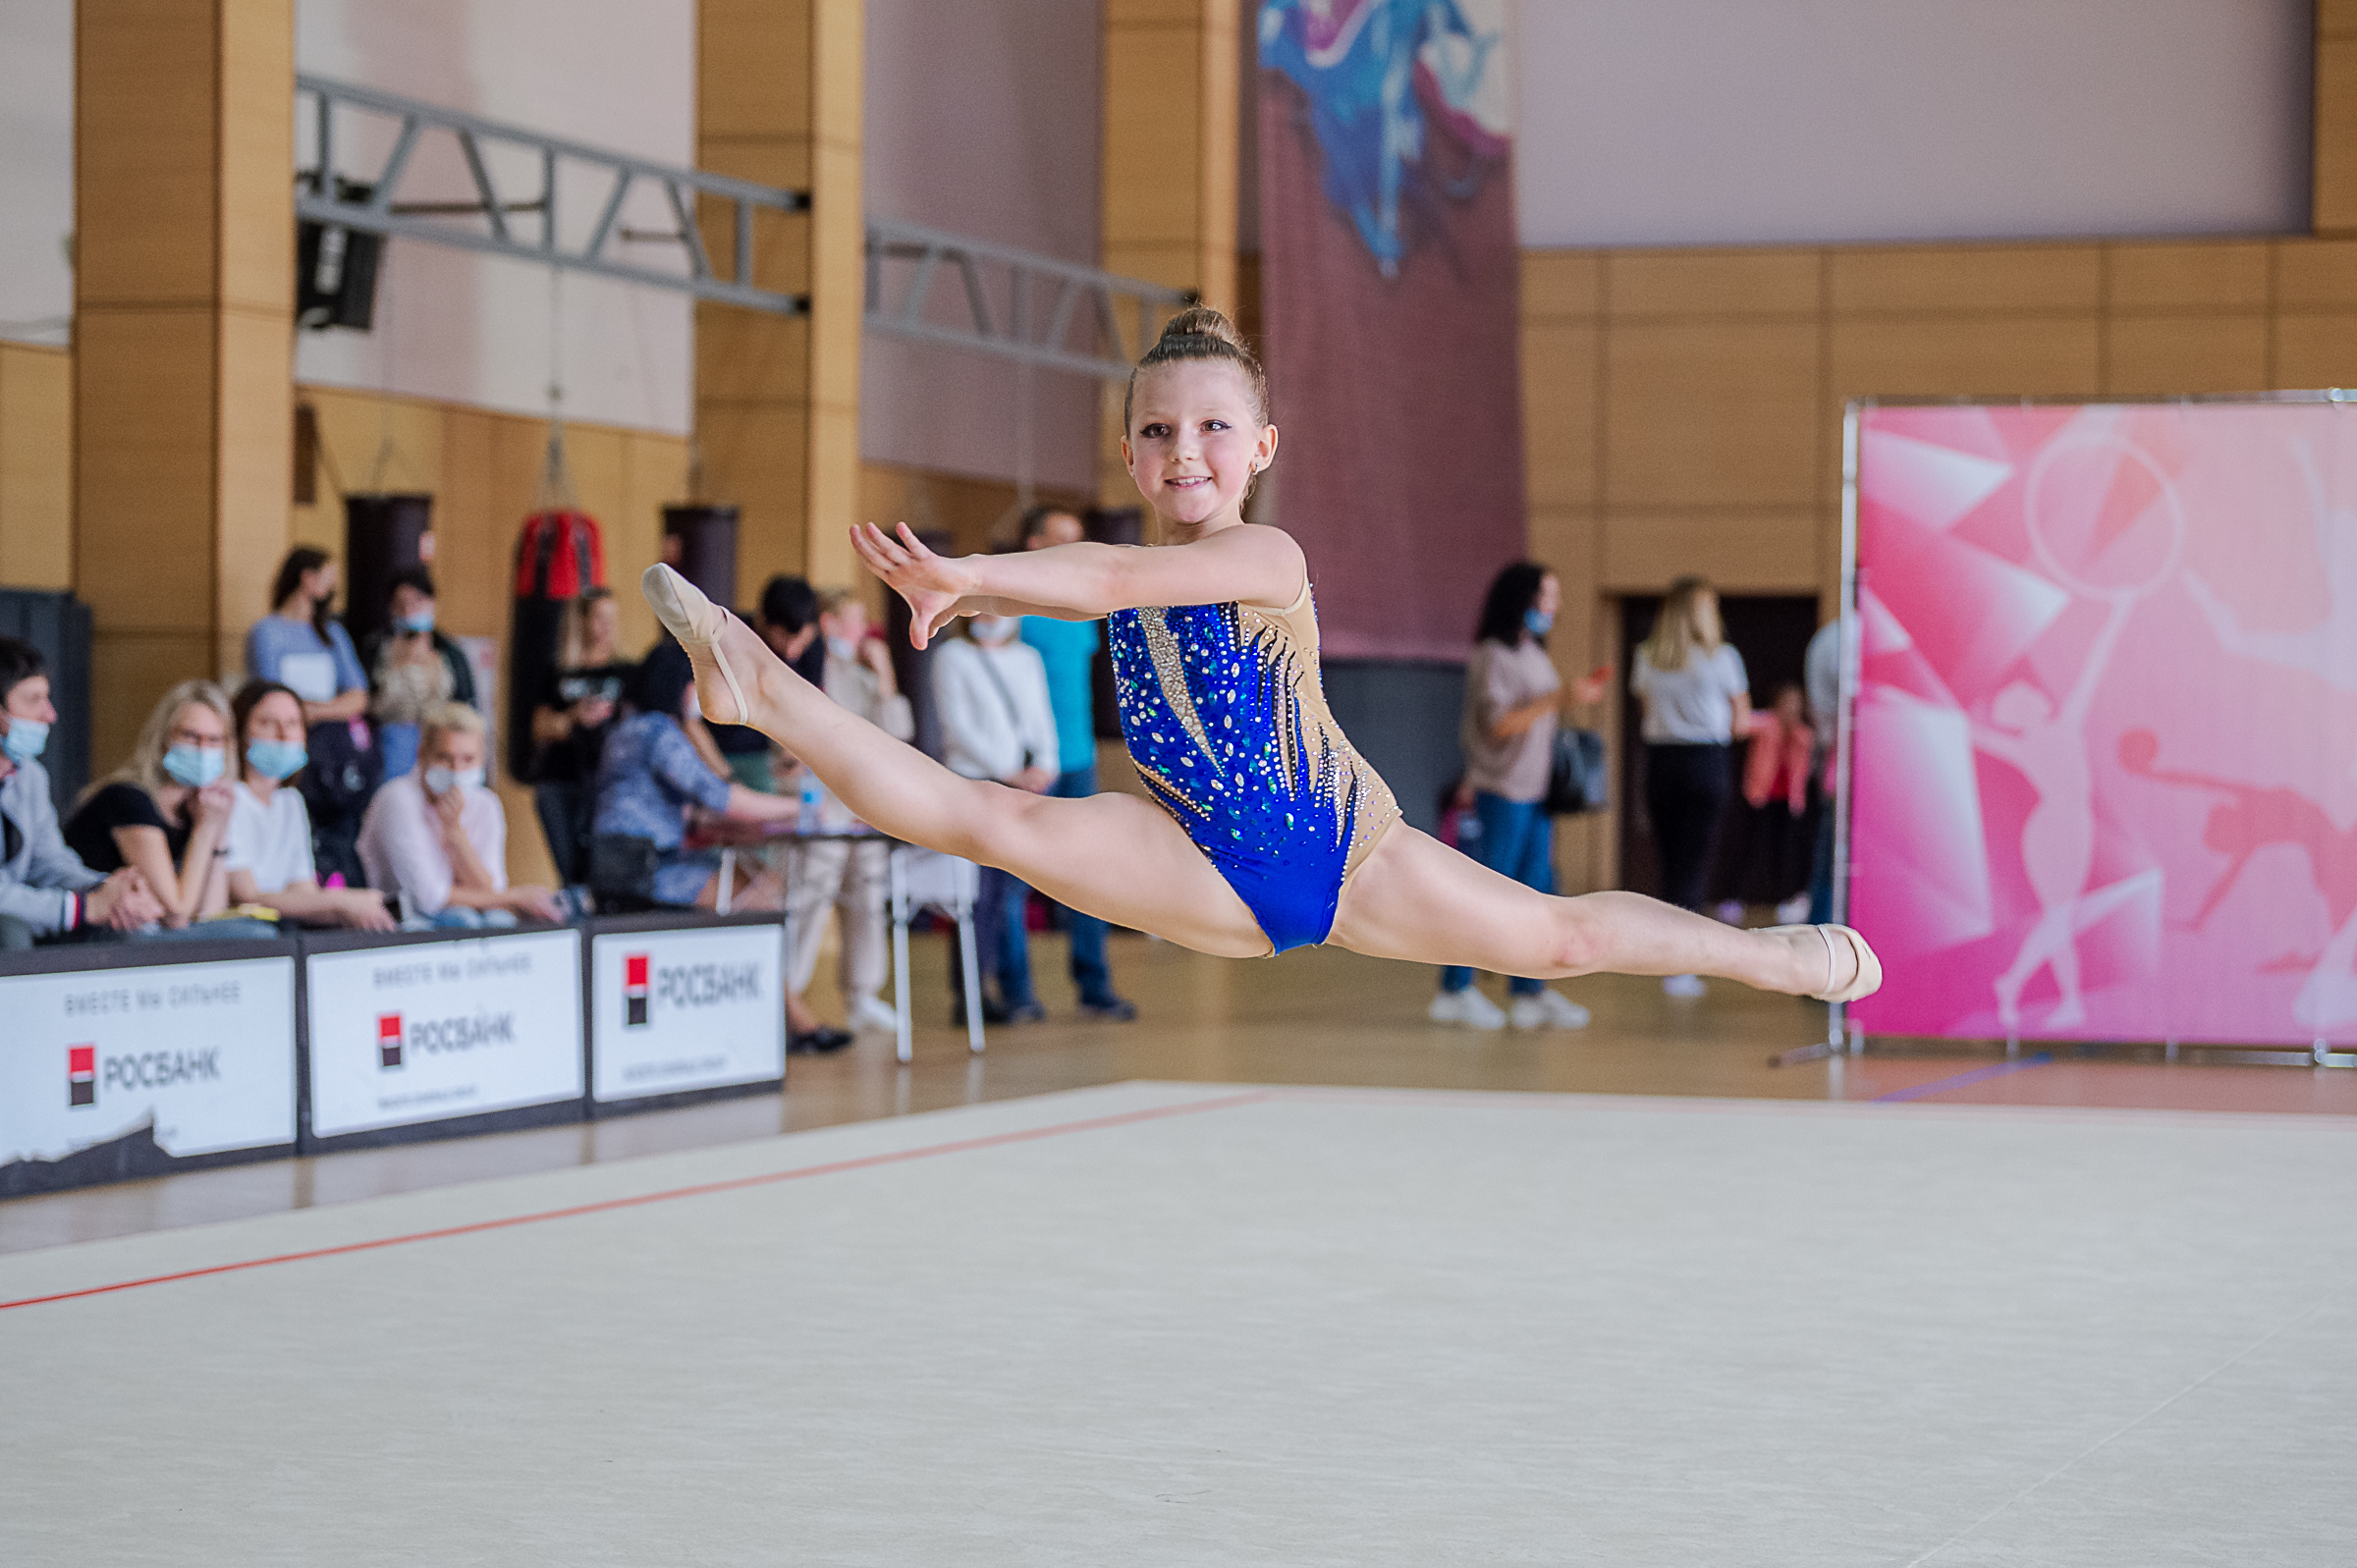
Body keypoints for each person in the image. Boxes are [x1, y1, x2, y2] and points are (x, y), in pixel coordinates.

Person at [642, 307, 1881, 1020]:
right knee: (984, 818)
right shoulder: (1122, 557)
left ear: (1262, 446)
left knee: (1558, 941)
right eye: (1158, 431)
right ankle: (760, 685)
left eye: (1214, 427)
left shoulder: (1267, 554)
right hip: (1197, 859)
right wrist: (988, 582)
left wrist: (971, 578)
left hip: (1350, 851)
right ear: (1131, 455)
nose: (1187, 450)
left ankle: (1768, 956)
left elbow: (1116, 580)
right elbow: (1104, 573)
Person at [589, 652, 847, 1049]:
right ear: (679, 687)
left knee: (757, 884)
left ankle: (787, 1013)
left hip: (620, 862)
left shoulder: (625, 731)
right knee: (761, 895)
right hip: (648, 868)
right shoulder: (659, 733)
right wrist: (802, 807)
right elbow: (724, 798)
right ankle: (787, 1018)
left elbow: (687, 806)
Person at [1429, 562, 1608, 1031]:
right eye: (1547, 596)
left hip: (1537, 794)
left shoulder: (1532, 652)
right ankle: (1456, 988)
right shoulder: (1494, 654)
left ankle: (1529, 991)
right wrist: (1559, 698)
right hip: (1502, 791)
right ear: (1523, 600)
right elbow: (1501, 724)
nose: (1555, 607)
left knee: (1537, 893)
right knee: (1488, 894)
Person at [1018, 506, 1137, 1021]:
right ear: (1033, 546)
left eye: (1077, 540)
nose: (1072, 548)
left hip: (1079, 758)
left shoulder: (1083, 612)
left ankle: (1094, 985)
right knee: (1012, 876)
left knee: (1091, 879)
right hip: (1025, 764)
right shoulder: (1012, 610)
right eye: (1060, 539)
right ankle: (1015, 994)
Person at [779, 589, 911, 1036]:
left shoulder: (866, 676)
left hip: (866, 810)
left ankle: (862, 994)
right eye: (854, 621)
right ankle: (787, 993)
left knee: (868, 900)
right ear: (830, 624)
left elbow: (898, 735)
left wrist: (886, 675)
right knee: (810, 898)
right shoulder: (813, 671)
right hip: (825, 808)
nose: (863, 632)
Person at [64, 680, 278, 939]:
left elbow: (209, 913)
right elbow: (176, 914)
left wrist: (217, 828)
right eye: (190, 736)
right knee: (255, 936)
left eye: (214, 740)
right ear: (164, 738)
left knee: (250, 933)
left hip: (147, 935)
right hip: (96, 937)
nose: (202, 749)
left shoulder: (198, 808)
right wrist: (205, 828)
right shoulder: (128, 798)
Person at [932, 608, 1060, 1024]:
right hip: (976, 784)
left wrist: (1044, 766)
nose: (991, 615)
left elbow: (1041, 717)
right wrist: (1008, 773)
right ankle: (970, 993)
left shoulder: (1027, 658)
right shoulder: (953, 656)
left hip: (1028, 786)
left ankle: (1013, 991)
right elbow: (957, 726)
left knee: (1011, 895)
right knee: (976, 895)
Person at [1631, 576, 1751, 1000]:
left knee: (1669, 862)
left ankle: (1664, 957)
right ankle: (1681, 964)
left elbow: (1647, 710)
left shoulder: (1646, 657)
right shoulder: (1723, 659)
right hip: (1705, 762)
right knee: (1694, 864)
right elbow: (1741, 722)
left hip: (1661, 763)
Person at [0, 637, 163, 947]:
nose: (50, 715)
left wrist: (108, 891)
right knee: (9, 932)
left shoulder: (30, 775)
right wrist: (80, 908)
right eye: (33, 700)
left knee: (122, 924)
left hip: (25, 910)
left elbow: (49, 862)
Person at [359, 703, 564, 928]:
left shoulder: (486, 804)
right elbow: (429, 898)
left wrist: (455, 835)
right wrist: (515, 897)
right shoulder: (398, 798)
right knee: (463, 920)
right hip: (396, 915)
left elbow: (490, 892)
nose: (456, 771)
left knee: (500, 921)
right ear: (422, 754)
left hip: (458, 912)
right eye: (445, 758)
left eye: (468, 759)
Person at [247, 546, 377, 886]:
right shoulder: (267, 632)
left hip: (332, 755)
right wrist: (296, 718)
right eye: (328, 577)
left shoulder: (332, 633)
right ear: (308, 578)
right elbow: (267, 690)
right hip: (288, 745)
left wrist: (315, 712)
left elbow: (358, 694)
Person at [222, 680, 395, 930]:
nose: (283, 735)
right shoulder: (229, 797)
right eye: (268, 723)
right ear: (239, 731)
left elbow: (303, 893)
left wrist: (355, 910)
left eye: (293, 724)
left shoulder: (291, 801)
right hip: (247, 930)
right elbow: (247, 898)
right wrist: (342, 902)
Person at [530, 587, 630, 884]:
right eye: (599, 618)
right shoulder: (561, 671)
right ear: (583, 621)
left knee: (600, 870)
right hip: (559, 779)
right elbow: (539, 727)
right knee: (570, 871)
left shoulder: (625, 671)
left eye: (612, 618)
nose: (606, 626)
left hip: (605, 782)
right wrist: (575, 717)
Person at [360, 568, 479, 781]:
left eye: (416, 601)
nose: (408, 610)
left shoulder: (451, 653)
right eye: (401, 604)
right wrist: (398, 664)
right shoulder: (376, 649)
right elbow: (362, 704)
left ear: (432, 603)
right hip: (387, 749)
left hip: (442, 747)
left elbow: (468, 708)